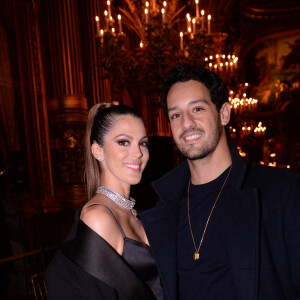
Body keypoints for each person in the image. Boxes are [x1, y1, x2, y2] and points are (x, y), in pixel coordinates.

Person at [140, 64, 300, 300]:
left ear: (224, 113)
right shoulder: (159, 207)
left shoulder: (281, 191)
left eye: (197, 109)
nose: (186, 124)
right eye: (175, 115)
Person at [46, 103, 163, 300]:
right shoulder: (98, 217)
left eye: (143, 143)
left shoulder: (135, 212)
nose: (138, 153)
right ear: (98, 151)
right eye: (124, 142)